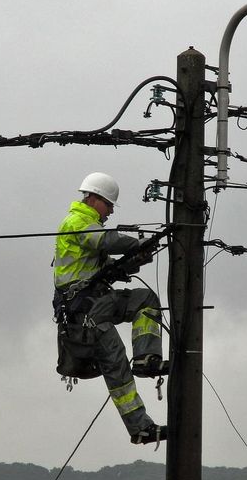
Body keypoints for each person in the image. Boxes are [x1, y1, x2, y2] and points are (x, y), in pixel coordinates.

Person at [53, 172, 168, 446]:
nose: (111, 211)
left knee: (145, 299)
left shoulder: (89, 225)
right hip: (86, 312)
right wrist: (137, 244)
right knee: (116, 364)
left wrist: (135, 259)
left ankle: (146, 359)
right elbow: (106, 241)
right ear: (94, 198)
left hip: (97, 302)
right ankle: (141, 427)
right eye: (109, 204)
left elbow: (105, 268)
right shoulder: (78, 221)